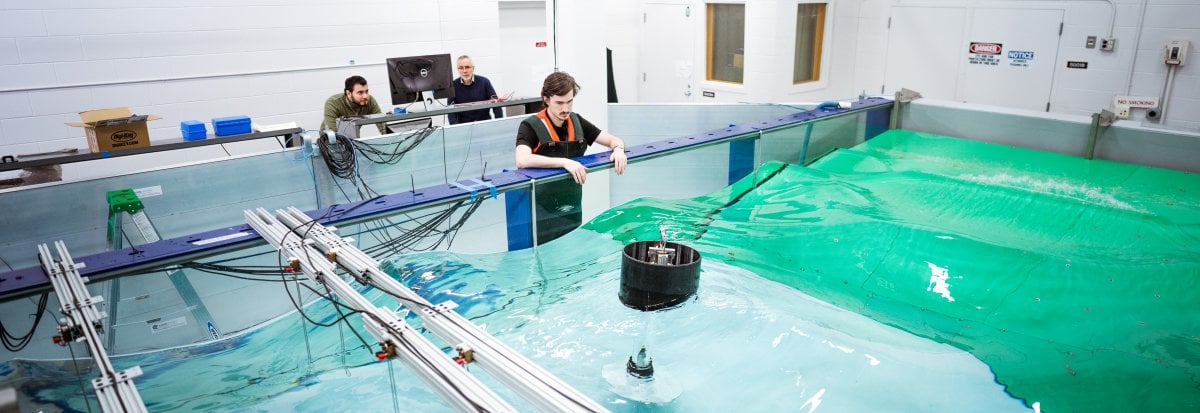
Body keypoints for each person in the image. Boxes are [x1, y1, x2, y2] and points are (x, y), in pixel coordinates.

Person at [515, 71, 628, 244]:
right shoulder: (530, 126)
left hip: (572, 207)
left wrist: (618, 149)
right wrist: (565, 162)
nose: (565, 109)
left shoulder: (577, 122)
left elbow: (613, 140)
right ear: (546, 99)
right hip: (540, 211)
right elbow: (522, 159)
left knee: (572, 249)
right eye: (559, 103)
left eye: (569, 102)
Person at [322, 75, 387, 136]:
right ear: (348, 93)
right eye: (360, 93)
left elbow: (382, 123)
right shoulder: (333, 103)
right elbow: (333, 132)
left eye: (366, 91)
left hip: (351, 137)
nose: (365, 96)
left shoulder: (369, 100)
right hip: (329, 139)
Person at [447, 55, 503, 125]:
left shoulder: (484, 82)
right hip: (464, 126)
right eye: (461, 68)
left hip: (485, 124)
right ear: (457, 69)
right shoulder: (453, 86)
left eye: (467, 67)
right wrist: (455, 128)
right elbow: (451, 111)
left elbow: (496, 104)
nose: (464, 71)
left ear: (473, 68)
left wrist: (499, 123)